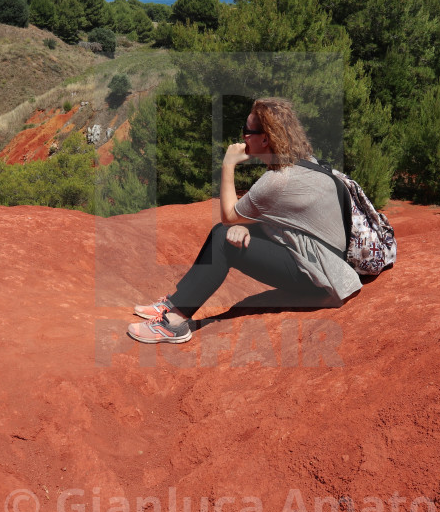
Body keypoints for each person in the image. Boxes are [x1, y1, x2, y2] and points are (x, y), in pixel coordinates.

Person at [128, 97, 361, 344]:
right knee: (227, 232)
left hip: (319, 277)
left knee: (223, 240)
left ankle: (174, 323)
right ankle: (175, 302)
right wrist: (244, 226)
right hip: (324, 259)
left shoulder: (277, 181)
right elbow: (288, 219)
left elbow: (229, 215)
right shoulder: (307, 164)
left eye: (246, 131)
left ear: (265, 138)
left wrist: (228, 164)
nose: (242, 138)